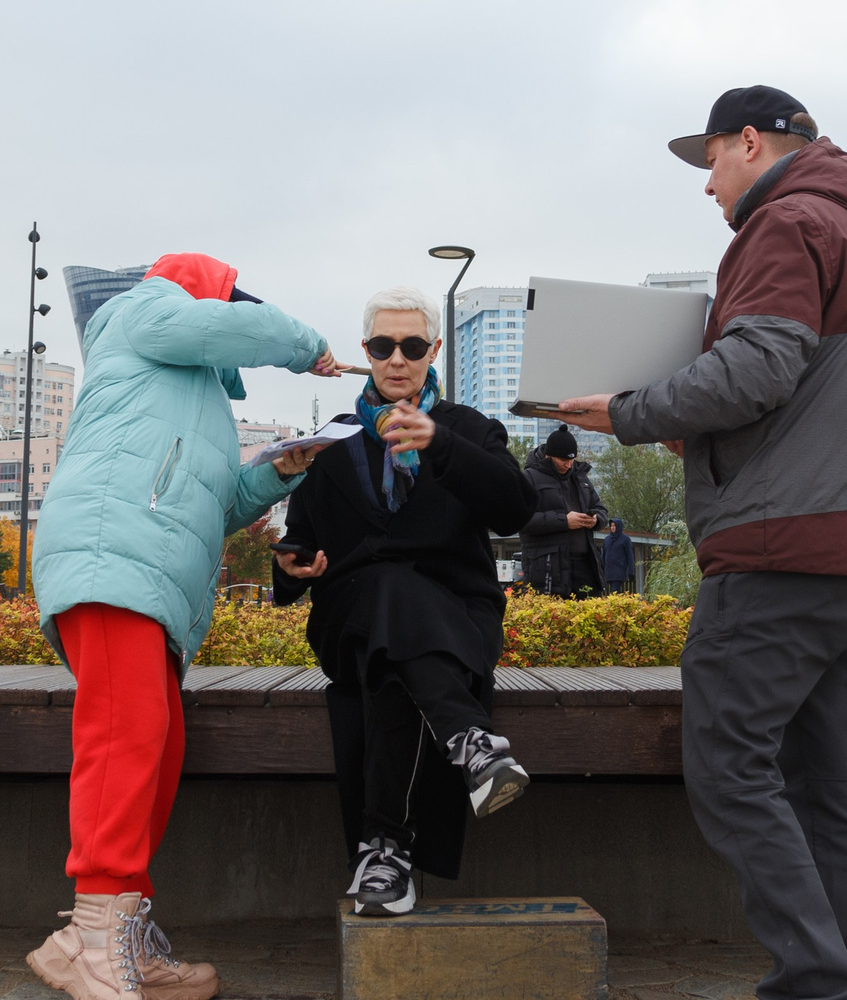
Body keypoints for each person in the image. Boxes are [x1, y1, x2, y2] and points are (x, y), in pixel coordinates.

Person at [555, 84, 847, 1000]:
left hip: (777, 548)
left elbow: (753, 368)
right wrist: (692, 428)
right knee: (824, 773)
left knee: (729, 768)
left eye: (709, 159)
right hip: (843, 541)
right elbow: (788, 394)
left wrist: (626, 412)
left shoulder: (783, 221)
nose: (707, 184)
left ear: (753, 141)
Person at [25, 253, 339, 1000]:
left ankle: (116, 930)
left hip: (149, 573)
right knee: (125, 733)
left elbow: (213, 501)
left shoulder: (192, 391)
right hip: (109, 553)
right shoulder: (140, 314)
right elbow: (228, 326)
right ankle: (94, 935)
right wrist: (306, 342)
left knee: (156, 744)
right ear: (205, 294)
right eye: (231, 303)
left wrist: (277, 472)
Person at [272, 286, 538, 916]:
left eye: (412, 346)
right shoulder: (329, 444)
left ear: (433, 350)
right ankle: (470, 739)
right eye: (384, 346)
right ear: (366, 352)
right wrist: (291, 566)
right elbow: (300, 547)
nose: (398, 359)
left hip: (453, 619)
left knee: (390, 658)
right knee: (385, 596)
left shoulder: (468, 429)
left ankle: (383, 850)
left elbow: (517, 507)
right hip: (349, 614)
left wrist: (439, 444)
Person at [518, 427, 609, 596]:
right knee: (552, 621)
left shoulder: (581, 476)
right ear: (548, 455)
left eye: (572, 460)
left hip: (585, 567)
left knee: (592, 619)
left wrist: (596, 520)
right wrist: (564, 521)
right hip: (547, 568)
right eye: (562, 460)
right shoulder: (529, 477)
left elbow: (601, 508)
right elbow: (520, 520)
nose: (568, 465)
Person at [601, 518, 638, 594]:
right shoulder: (607, 539)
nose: (613, 527)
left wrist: (631, 572)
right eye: (611, 526)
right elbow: (603, 555)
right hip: (608, 572)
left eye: (614, 526)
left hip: (619, 571)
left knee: (614, 591)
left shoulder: (625, 539)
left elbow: (630, 556)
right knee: (610, 593)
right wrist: (600, 570)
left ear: (618, 526)